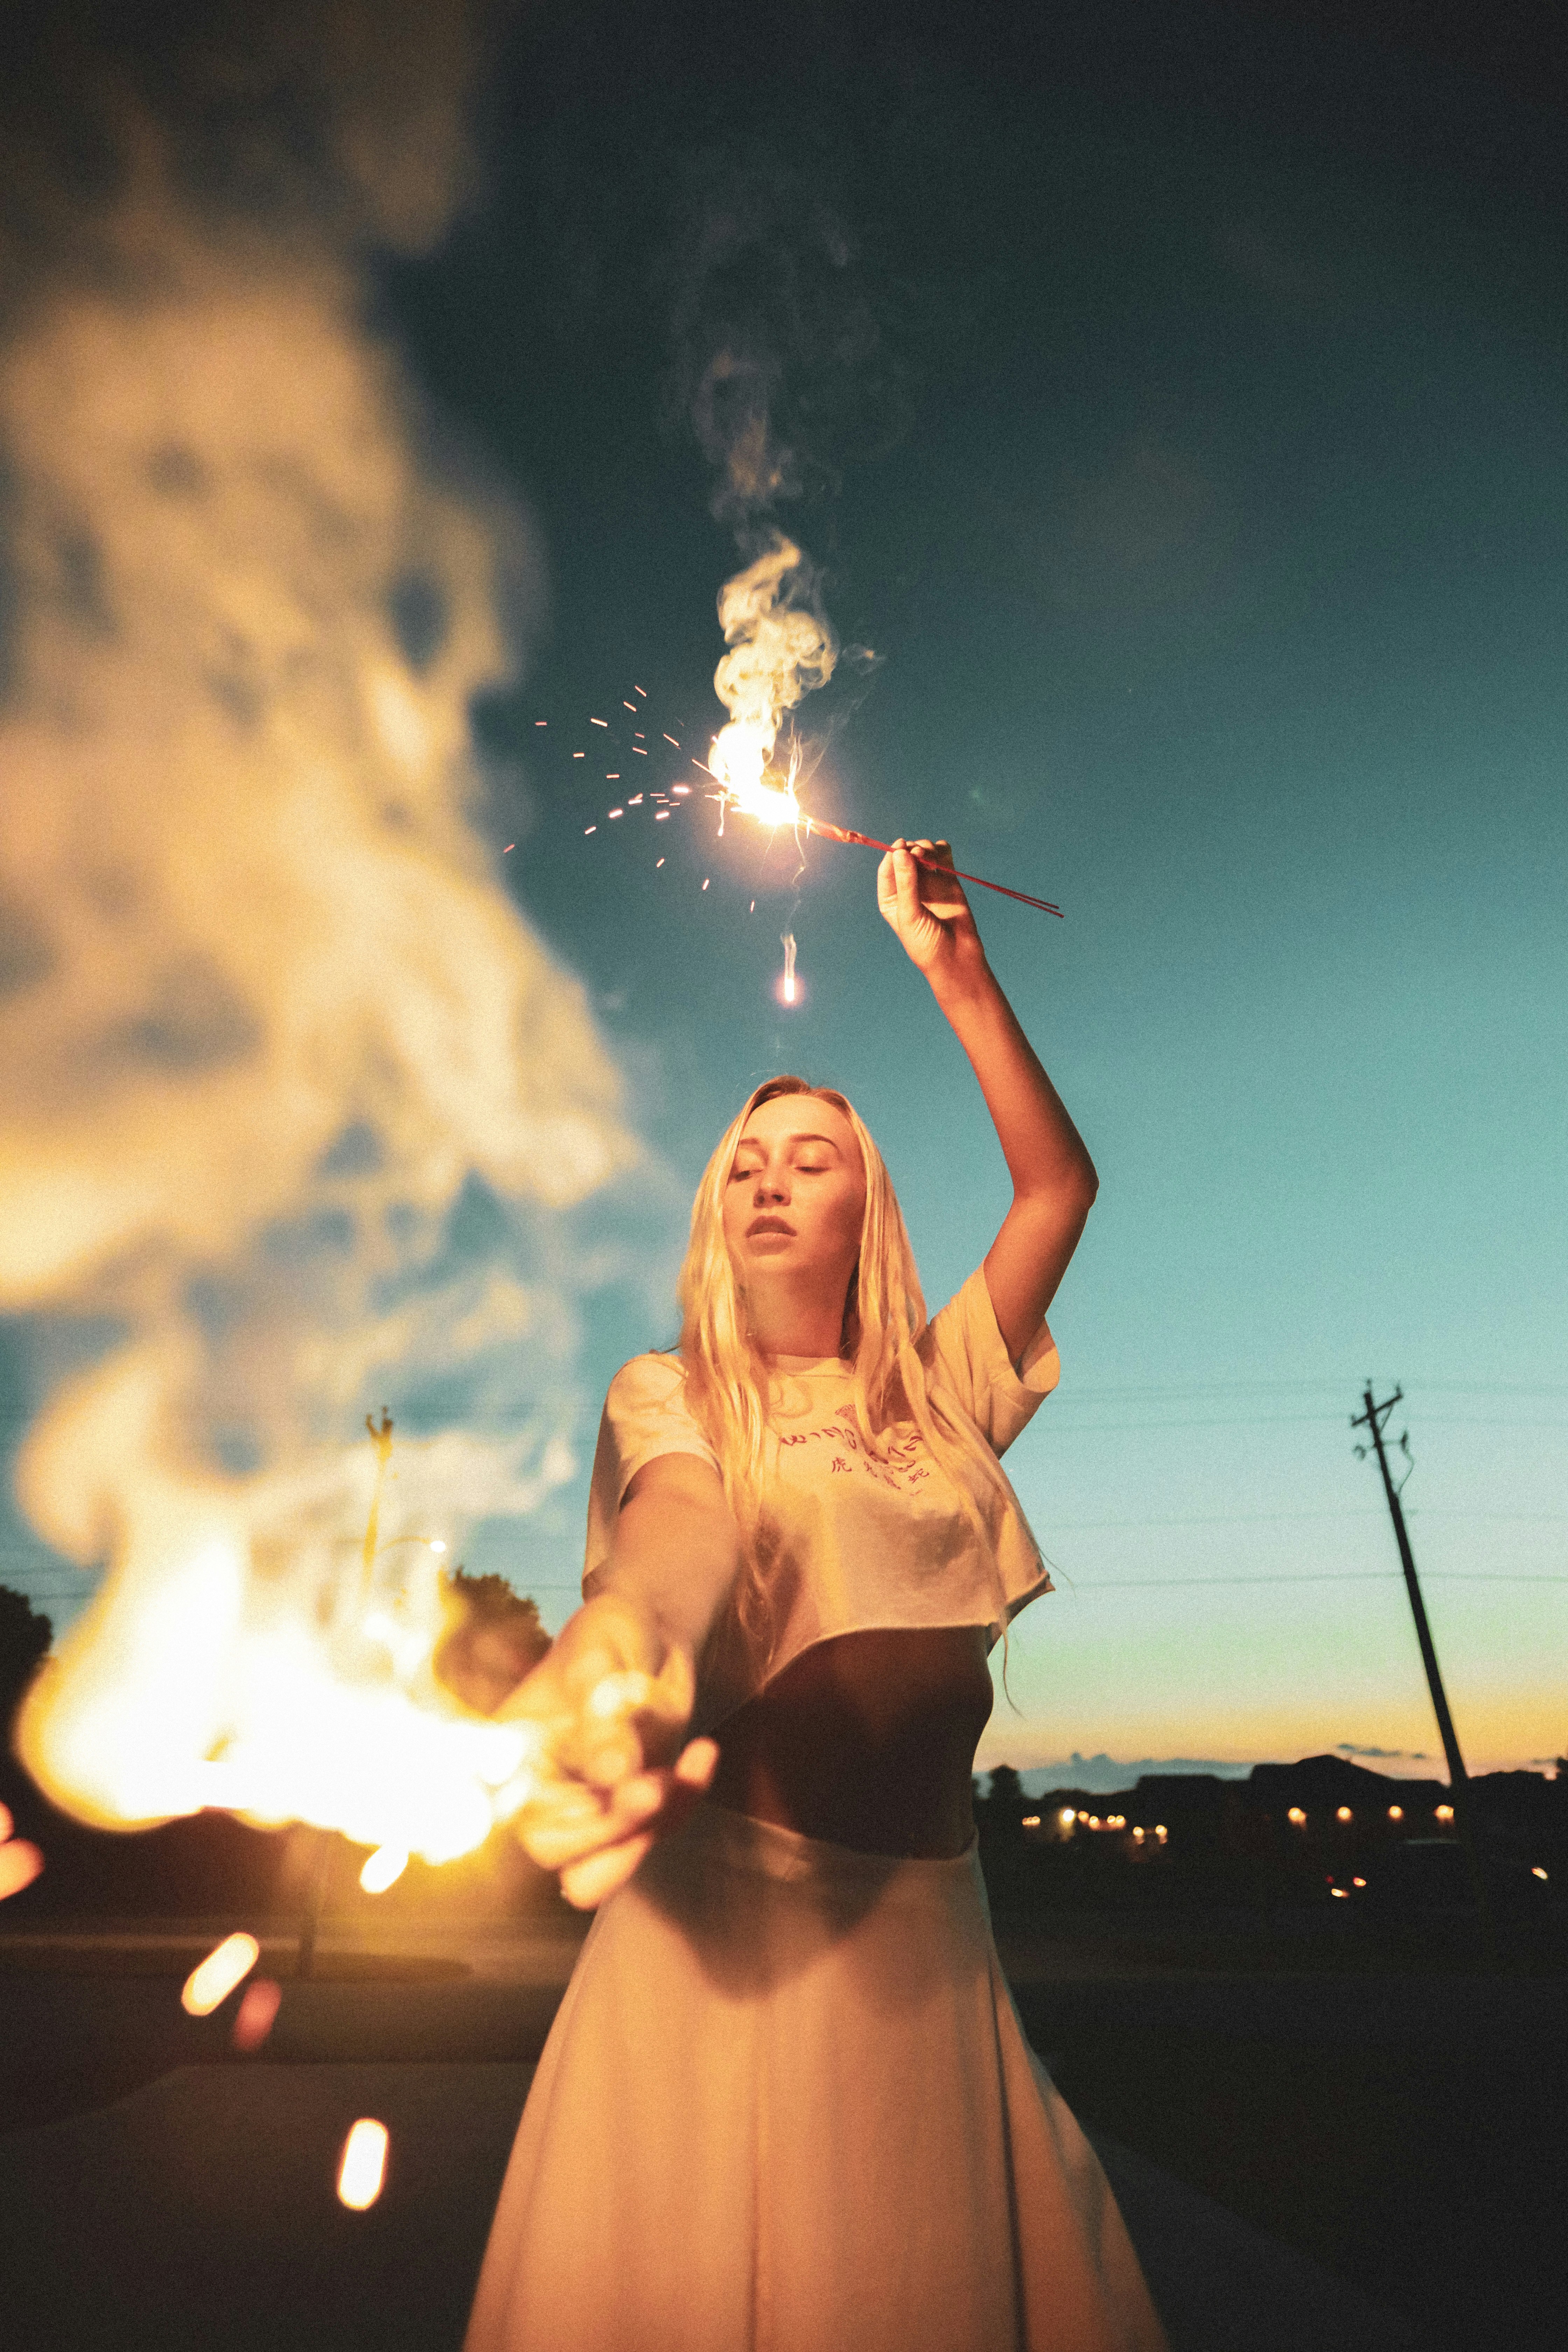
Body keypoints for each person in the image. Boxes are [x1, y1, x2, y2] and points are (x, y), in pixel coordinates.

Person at [466, 842, 1167, 2352]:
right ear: (715, 1216)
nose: (770, 1180)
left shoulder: (943, 1390)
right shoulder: (668, 1392)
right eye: (745, 1164)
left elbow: (1060, 1186)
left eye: (811, 1159)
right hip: (727, 1944)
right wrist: (617, 1647)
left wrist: (957, 972)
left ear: (869, 1210)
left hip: (929, 1945)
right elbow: (675, 1537)